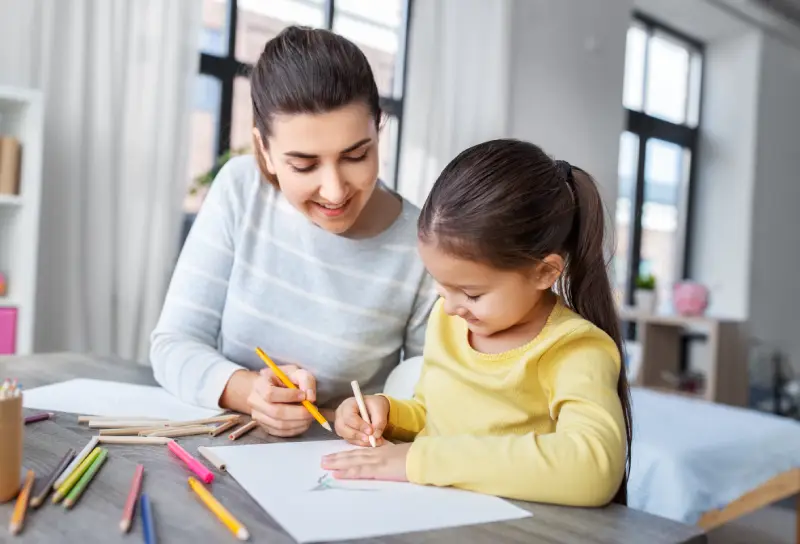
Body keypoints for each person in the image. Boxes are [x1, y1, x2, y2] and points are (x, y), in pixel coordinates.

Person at [150, 26, 436, 438]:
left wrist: (380, 415)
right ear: (264, 150)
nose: (334, 191)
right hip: (223, 449)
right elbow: (173, 345)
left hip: (344, 463)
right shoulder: (241, 189)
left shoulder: (422, 243)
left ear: (378, 130)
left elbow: (431, 393)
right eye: (304, 165)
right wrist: (250, 392)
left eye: (357, 155)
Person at [324, 139, 633, 507]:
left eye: (471, 294)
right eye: (441, 285)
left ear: (544, 272)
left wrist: (419, 460)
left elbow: (592, 469)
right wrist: (387, 415)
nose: (450, 307)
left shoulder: (573, 348)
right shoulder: (449, 322)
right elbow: (435, 417)